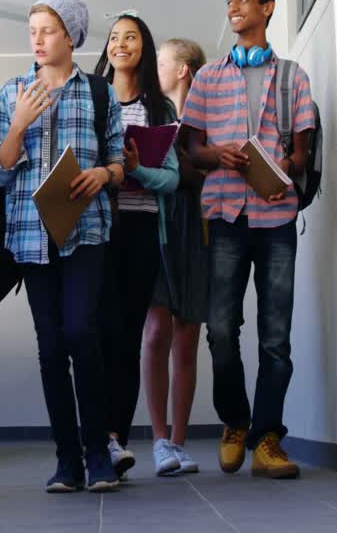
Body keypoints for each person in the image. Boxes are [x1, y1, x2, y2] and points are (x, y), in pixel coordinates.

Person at [0, 0, 126, 493]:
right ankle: (67, 461)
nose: (38, 40)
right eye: (33, 32)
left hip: (86, 232)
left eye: (47, 31)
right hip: (31, 235)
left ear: (71, 36)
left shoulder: (99, 93)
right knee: (50, 349)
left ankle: (99, 455)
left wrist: (103, 174)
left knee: (81, 333)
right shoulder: (11, 93)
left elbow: (118, 160)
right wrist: (19, 123)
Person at [182, 0, 315, 479]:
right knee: (220, 329)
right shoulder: (208, 79)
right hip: (225, 215)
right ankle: (235, 421)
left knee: (275, 335)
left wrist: (282, 167)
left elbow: (301, 155)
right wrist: (218, 153)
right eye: (229, 1)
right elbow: (191, 149)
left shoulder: (293, 77)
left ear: (267, 7)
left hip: (276, 215)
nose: (234, 7)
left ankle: (268, 438)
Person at [91, 14, 179, 478]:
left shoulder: (159, 109)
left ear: (144, 46)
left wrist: (136, 169)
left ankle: (114, 440)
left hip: (141, 230)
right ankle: (93, 439)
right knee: (95, 334)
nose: (120, 44)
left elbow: (172, 179)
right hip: (96, 228)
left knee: (126, 338)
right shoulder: (92, 98)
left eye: (130, 37)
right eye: (114, 37)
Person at [142, 38, 210, 475]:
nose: (155, 70)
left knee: (187, 336)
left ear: (183, 69)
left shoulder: (208, 119)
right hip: (157, 224)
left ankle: (179, 444)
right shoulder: (151, 116)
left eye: (161, 62)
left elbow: (214, 170)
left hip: (198, 228)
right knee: (155, 332)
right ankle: (158, 440)